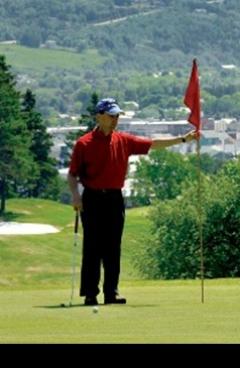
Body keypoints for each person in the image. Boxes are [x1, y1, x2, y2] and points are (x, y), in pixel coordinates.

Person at [68, 98, 199, 306]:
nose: (115, 120)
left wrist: (183, 139)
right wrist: (75, 195)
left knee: (113, 247)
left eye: (117, 116)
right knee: (93, 247)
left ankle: (112, 292)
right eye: (111, 116)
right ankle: (90, 293)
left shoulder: (123, 140)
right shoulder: (83, 143)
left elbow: (153, 144)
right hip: (92, 199)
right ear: (99, 116)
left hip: (114, 198)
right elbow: (72, 175)